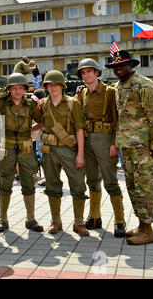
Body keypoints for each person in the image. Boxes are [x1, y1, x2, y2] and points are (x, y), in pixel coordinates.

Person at [107, 50, 153, 245]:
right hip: (128, 146)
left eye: (122, 65)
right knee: (133, 186)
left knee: (146, 187)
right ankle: (142, 225)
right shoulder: (118, 87)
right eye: (116, 66)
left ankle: (148, 230)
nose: (118, 69)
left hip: (144, 147)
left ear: (130, 65)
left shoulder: (143, 84)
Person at [75, 58, 125, 238]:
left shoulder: (110, 92)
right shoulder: (81, 93)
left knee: (110, 180)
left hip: (105, 140)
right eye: (83, 72)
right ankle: (94, 217)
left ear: (97, 73)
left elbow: (118, 118)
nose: (86, 74)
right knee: (92, 180)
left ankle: (120, 221)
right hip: (87, 140)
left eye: (89, 71)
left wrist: (115, 143)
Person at [38, 70, 89, 236]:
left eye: (56, 84)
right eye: (49, 85)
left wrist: (80, 154)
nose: (53, 88)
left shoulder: (73, 103)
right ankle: (55, 221)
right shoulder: (44, 104)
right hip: (49, 151)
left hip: (69, 150)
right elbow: (40, 122)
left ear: (62, 86)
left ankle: (79, 222)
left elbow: (80, 129)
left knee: (78, 184)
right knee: (52, 185)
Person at [0, 73, 44, 233]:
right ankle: (3, 219)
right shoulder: (1, 103)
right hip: (7, 147)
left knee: (29, 183)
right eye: (14, 88)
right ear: (8, 89)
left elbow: (42, 120)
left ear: (25, 89)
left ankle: (31, 219)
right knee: (5, 182)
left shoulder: (30, 103)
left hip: (25, 148)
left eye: (20, 88)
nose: (17, 91)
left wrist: (32, 129)